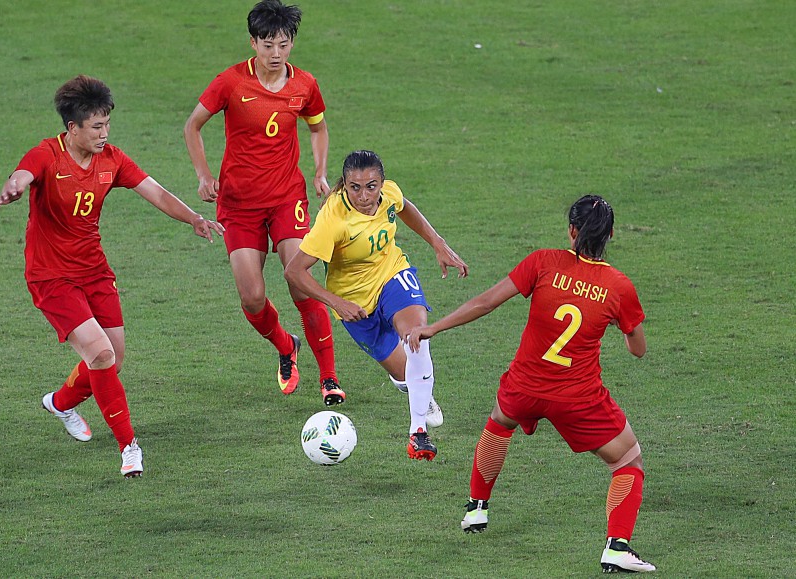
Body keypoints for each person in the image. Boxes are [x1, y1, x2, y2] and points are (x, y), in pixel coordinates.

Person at [406, 195, 655, 572]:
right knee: (627, 459)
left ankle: (476, 509)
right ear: (611, 235)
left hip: (524, 386)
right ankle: (617, 546)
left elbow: (487, 302)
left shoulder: (543, 262)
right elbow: (638, 349)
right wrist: (624, 327)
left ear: (571, 231)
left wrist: (433, 328)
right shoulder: (618, 286)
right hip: (578, 399)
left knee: (499, 421)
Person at [0, 75, 224, 478]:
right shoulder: (47, 155)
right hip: (51, 277)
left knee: (112, 360)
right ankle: (128, 447)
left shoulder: (112, 160)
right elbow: (23, 175)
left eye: (107, 124)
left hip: (95, 271)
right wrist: (14, 186)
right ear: (73, 129)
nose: (104, 133)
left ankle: (61, 403)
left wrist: (193, 218)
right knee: (99, 354)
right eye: (96, 127)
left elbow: (155, 192)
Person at [184, 0, 343, 406]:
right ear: (253, 42)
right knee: (252, 297)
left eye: (284, 45)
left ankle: (329, 378)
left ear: (292, 44)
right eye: (268, 45)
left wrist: (320, 171)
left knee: (300, 280)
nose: (276, 54)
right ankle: (286, 345)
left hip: (287, 197)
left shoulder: (304, 85)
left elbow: (319, 127)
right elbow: (193, 126)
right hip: (238, 204)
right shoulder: (231, 82)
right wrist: (204, 175)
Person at [285, 150, 468, 460]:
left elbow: (405, 207)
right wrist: (337, 303)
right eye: (355, 187)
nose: (365, 195)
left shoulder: (389, 194)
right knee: (405, 374)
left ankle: (417, 432)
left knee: (417, 337)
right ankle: (417, 391)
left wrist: (438, 243)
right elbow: (294, 271)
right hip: (354, 302)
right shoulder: (333, 219)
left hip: (392, 274)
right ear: (344, 184)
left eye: (372, 186)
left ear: (382, 183)